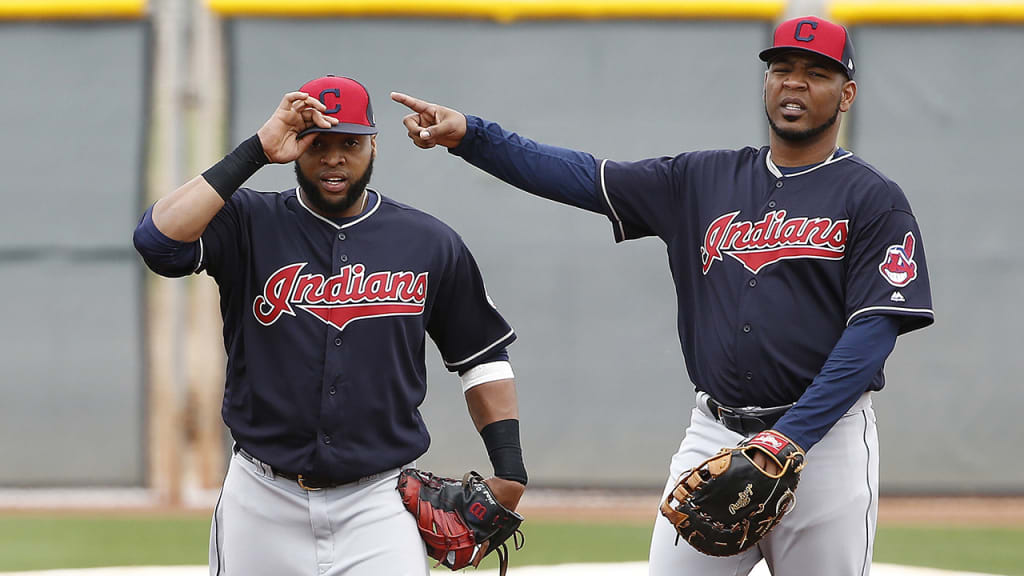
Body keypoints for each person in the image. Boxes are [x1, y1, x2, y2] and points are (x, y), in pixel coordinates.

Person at [392, 15, 933, 576]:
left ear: (846, 94)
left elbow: (872, 334)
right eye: (782, 69)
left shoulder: (873, 199)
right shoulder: (701, 180)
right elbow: (583, 177)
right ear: (766, 83)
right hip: (716, 436)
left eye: (815, 73)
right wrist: (472, 137)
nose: (793, 83)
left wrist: (789, 438)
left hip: (823, 444)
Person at [133, 75, 527, 576]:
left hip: (378, 502)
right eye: (318, 142)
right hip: (261, 498)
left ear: (374, 146)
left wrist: (509, 466)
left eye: (350, 142)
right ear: (295, 145)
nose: (334, 157)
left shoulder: (428, 242)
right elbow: (157, 241)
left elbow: (482, 357)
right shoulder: (247, 222)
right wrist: (256, 150)